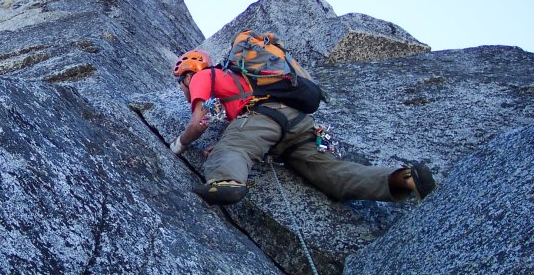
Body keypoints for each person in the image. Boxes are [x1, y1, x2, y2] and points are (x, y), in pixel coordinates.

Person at [169, 49, 436, 205]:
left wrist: (179, 144)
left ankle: (226, 182)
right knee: (332, 173)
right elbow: (247, 129)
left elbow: (199, 123)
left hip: (265, 116)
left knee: (232, 149)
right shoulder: (239, 79)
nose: (183, 89)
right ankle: (403, 179)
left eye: (181, 83)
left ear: (188, 73)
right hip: (299, 123)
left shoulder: (203, 76)